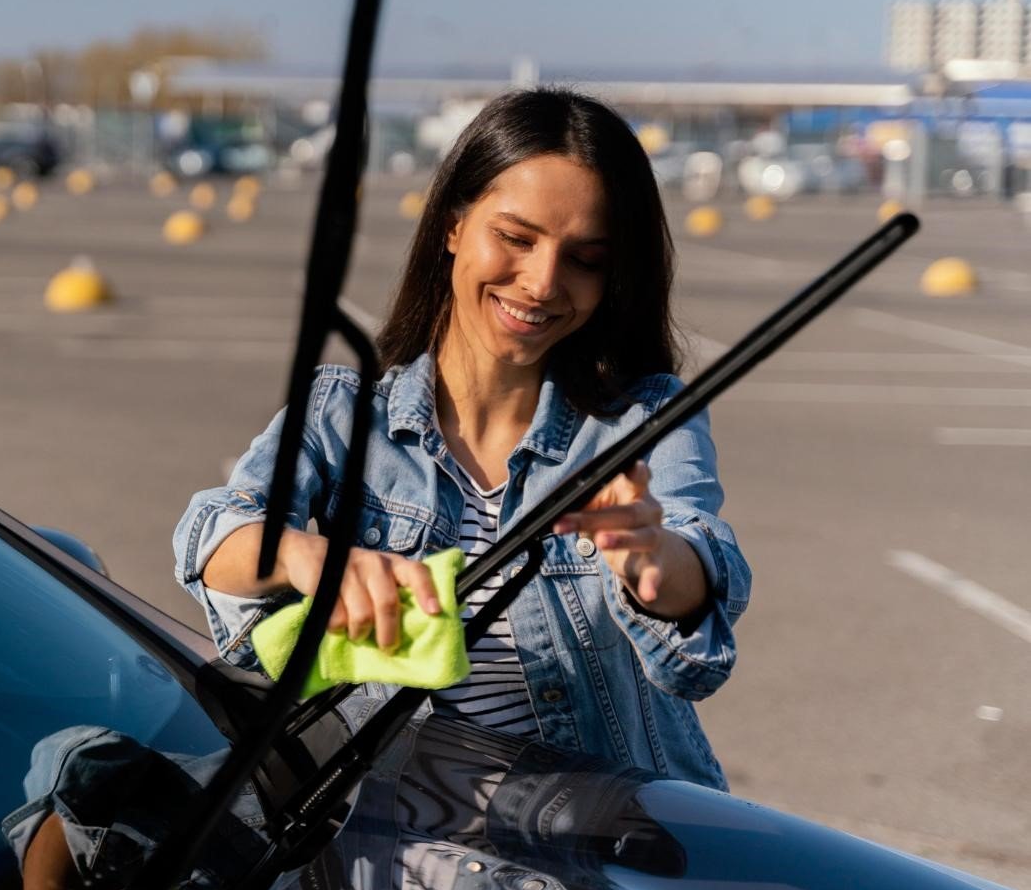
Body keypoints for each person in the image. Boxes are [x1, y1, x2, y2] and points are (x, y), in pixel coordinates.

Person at [174, 85, 750, 798]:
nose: (542, 282)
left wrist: (656, 567)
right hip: (404, 860)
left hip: (614, 854)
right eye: (516, 238)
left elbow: (697, 611)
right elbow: (211, 537)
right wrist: (303, 553)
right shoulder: (342, 415)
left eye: (586, 258)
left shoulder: (648, 418)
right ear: (452, 223)